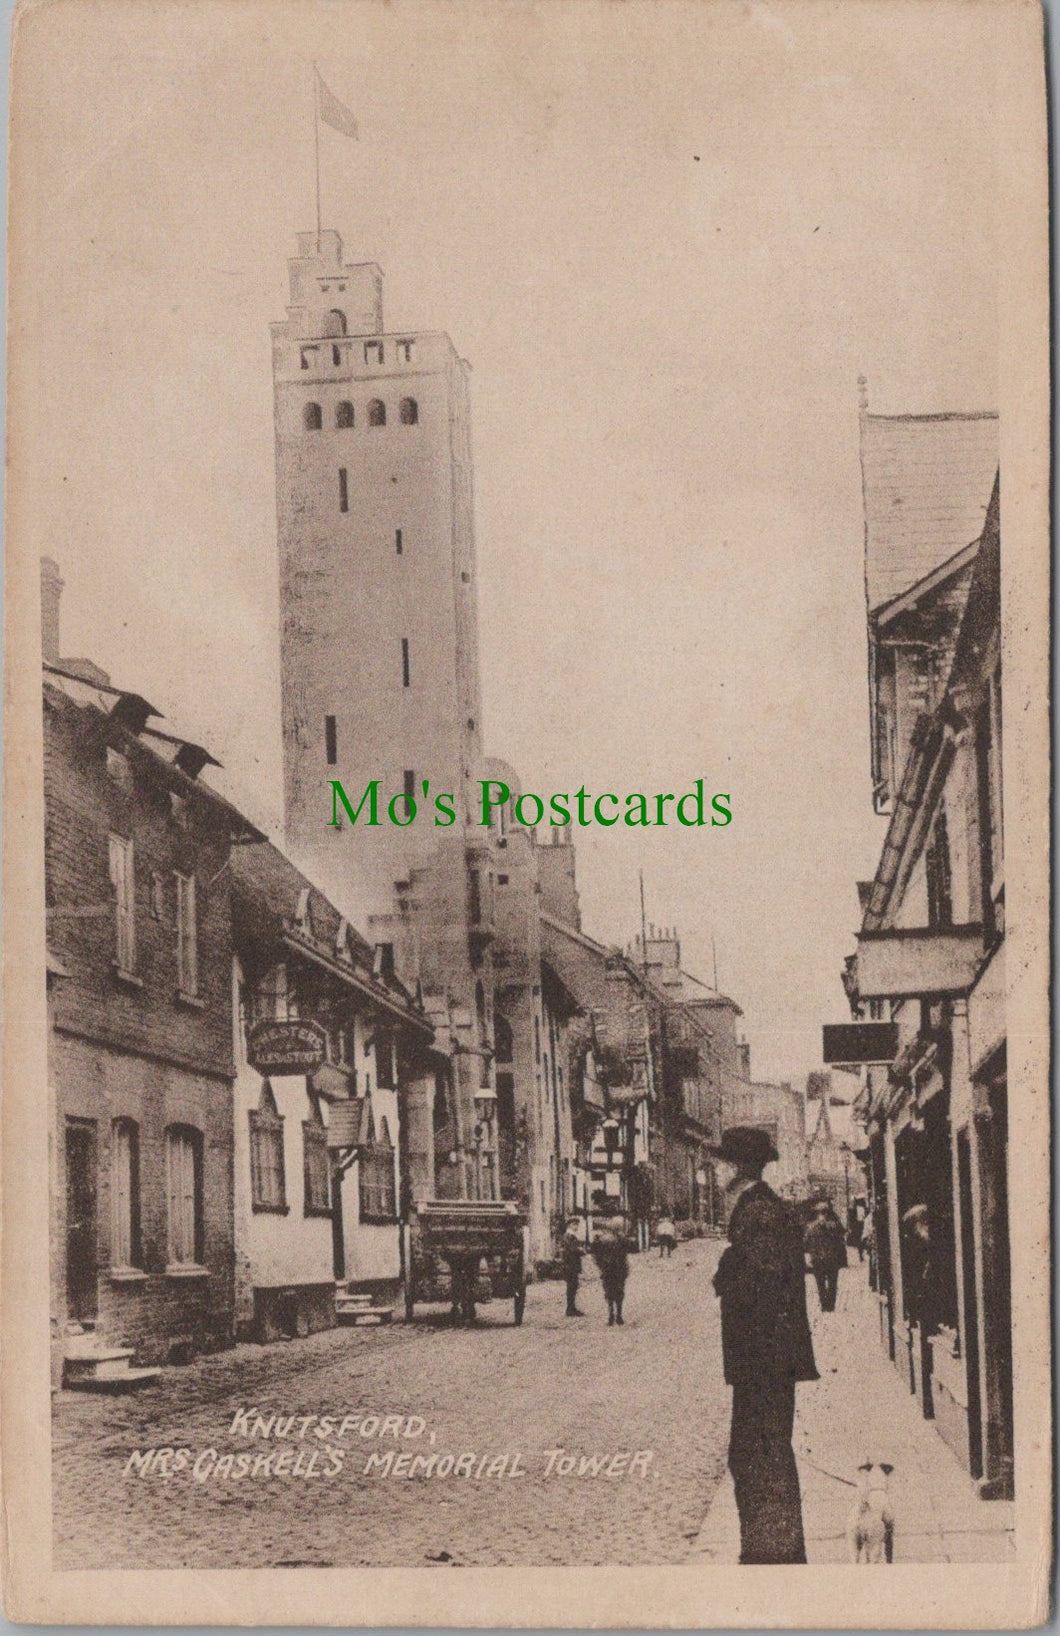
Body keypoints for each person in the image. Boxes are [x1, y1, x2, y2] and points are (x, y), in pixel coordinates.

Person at [711, 1126, 818, 1565]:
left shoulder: (759, 1213)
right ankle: (767, 1551)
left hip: (764, 1361)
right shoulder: (758, 1209)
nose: (716, 1171)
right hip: (764, 1360)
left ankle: (772, 1555)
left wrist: (728, 1271)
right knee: (755, 1455)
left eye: (721, 1163)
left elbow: (764, 1288)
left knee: (759, 1456)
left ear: (737, 1168)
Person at [804, 1200, 847, 1312]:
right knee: (832, 1283)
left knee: (820, 1284)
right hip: (832, 1258)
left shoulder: (811, 1228)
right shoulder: (835, 1226)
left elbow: (806, 1243)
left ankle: (824, 1305)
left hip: (817, 1259)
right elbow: (842, 1238)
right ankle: (831, 1305)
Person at [592, 1221, 630, 1325]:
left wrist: (600, 1266)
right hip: (620, 1269)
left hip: (607, 1269)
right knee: (620, 1291)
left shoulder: (601, 1239)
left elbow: (595, 1254)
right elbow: (632, 1248)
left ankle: (611, 1315)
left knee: (608, 1292)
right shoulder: (622, 1239)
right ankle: (619, 1316)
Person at [561, 1221, 585, 1316]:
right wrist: (581, 1251)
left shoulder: (571, 1236)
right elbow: (572, 1250)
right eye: (575, 1224)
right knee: (571, 1287)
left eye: (577, 1224)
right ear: (570, 1225)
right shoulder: (568, 1236)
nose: (576, 1226)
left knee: (573, 1286)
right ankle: (570, 1309)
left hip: (572, 1265)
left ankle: (572, 1307)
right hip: (570, 1265)